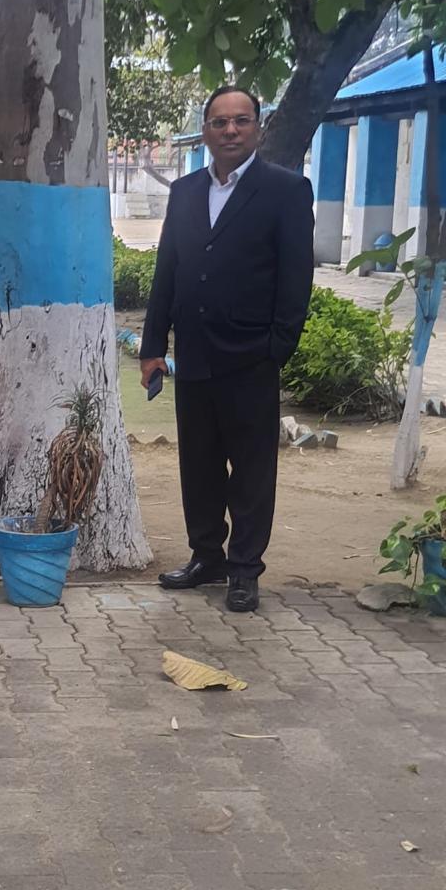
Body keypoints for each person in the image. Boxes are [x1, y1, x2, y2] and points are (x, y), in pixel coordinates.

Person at [140, 86, 314, 613]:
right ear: (206, 130)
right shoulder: (186, 190)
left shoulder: (285, 190)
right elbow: (167, 270)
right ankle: (206, 557)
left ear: (257, 127)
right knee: (199, 464)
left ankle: (244, 569)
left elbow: (295, 279)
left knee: (253, 469)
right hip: (193, 354)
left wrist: (275, 350)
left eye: (241, 121)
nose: (230, 130)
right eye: (220, 122)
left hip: (251, 357)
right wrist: (152, 345)